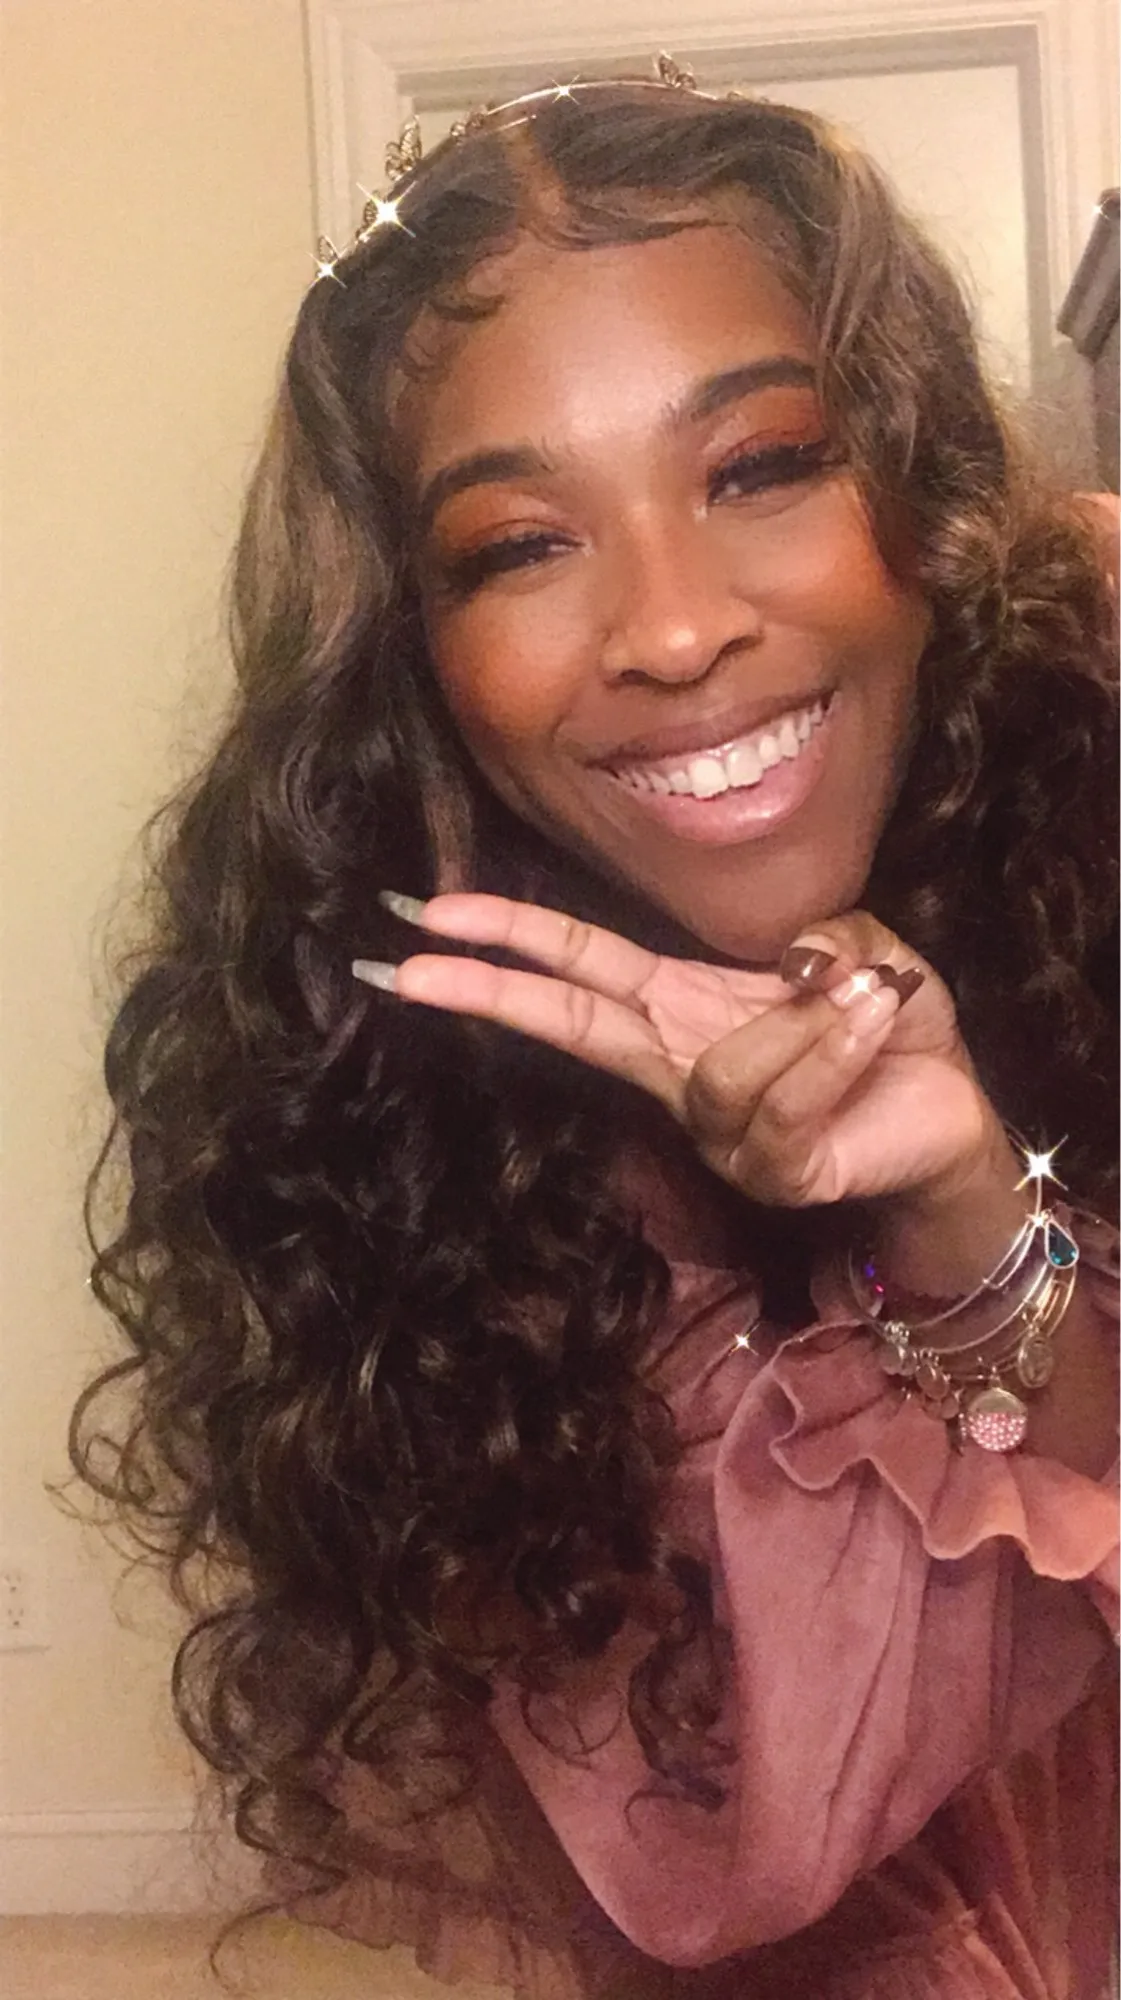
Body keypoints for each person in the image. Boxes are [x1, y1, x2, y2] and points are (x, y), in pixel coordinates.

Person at [71, 64, 1119, 2000]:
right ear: (414, 652)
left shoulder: (1087, 816)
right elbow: (758, 1834)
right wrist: (928, 1235)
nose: (670, 627)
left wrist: (973, 1198)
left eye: (760, 465)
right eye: (517, 547)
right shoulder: (400, 1124)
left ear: (928, 494)